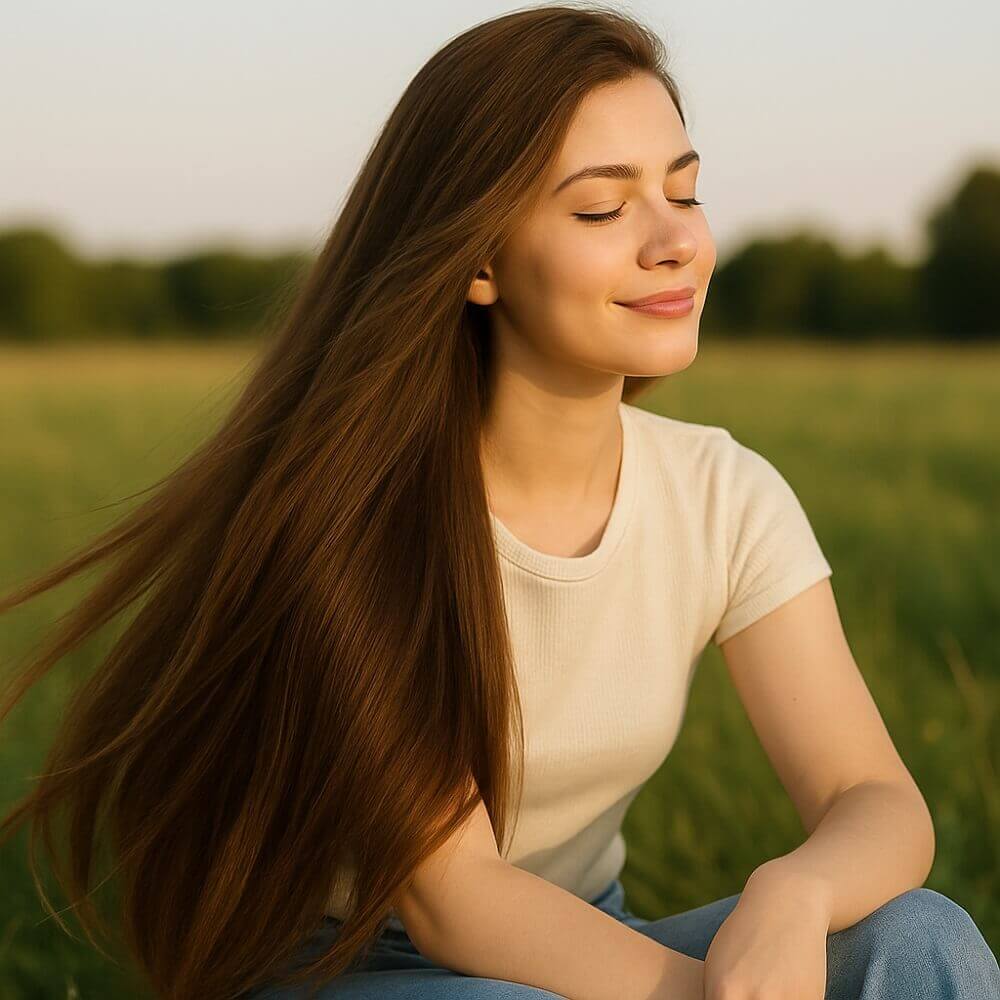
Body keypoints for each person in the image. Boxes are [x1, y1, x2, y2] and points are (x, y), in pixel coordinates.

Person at [1, 5, 997, 1000]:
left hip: (587, 944)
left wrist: (794, 891)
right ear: (478, 259)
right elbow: (456, 898)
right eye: (602, 210)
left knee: (915, 938)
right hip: (354, 968)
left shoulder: (722, 494)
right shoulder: (356, 512)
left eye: (683, 191)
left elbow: (873, 797)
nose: (674, 242)